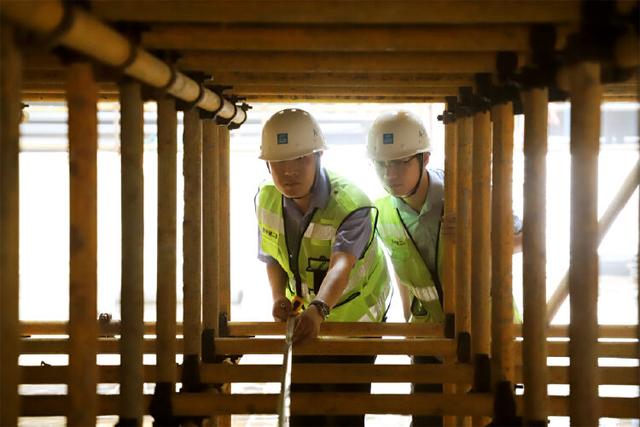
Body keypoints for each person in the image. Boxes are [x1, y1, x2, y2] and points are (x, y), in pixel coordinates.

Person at [366, 111, 522, 427]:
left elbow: (524, 239)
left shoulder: (466, 193)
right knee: (427, 420)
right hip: (429, 337)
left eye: (400, 162)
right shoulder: (381, 210)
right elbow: (403, 269)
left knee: (493, 419)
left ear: (424, 159)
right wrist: (409, 325)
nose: (390, 174)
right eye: (382, 164)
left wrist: (476, 235)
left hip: (487, 331)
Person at [255, 108, 391, 426]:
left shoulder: (351, 204)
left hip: (356, 321)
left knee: (344, 413)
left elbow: (341, 265)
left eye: (300, 159)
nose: (289, 172)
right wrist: (278, 297)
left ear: (318, 156)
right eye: (279, 162)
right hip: (306, 316)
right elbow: (272, 256)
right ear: (267, 165)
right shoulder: (267, 199)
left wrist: (318, 309)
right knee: (304, 410)